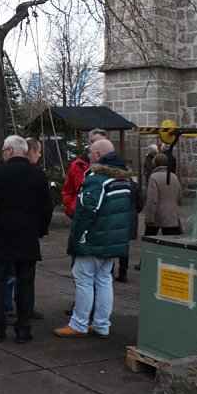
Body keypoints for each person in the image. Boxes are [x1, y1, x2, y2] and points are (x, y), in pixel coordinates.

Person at [55, 138, 131, 339]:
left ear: (98, 155)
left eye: (90, 152)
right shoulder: (124, 180)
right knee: (104, 281)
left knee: (84, 281)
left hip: (93, 239)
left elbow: (88, 211)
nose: (87, 155)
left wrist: (78, 237)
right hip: (112, 240)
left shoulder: (97, 180)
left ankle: (79, 323)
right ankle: (101, 324)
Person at [0, 136, 53, 344]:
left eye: (4, 149)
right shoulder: (38, 174)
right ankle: (23, 329)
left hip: (1, 237)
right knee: (26, 285)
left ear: (10, 151)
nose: (3, 152)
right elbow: (46, 207)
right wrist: (40, 230)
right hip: (27, 237)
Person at [62, 128, 108, 218]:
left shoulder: (112, 166)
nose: (103, 148)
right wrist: (71, 210)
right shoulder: (77, 166)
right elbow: (68, 191)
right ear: (90, 144)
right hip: (81, 216)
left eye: (105, 144)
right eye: (100, 144)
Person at [143, 153, 182, 237]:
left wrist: (149, 217)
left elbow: (152, 199)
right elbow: (179, 195)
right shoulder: (174, 176)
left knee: (150, 239)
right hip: (172, 214)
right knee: (171, 243)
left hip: (157, 214)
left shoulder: (154, 177)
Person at [116, 177, 144, 283]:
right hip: (130, 217)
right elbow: (140, 204)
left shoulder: (114, 185)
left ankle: (111, 271)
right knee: (124, 247)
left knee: (112, 244)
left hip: (117, 217)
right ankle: (123, 272)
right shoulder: (134, 185)